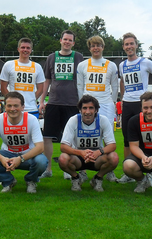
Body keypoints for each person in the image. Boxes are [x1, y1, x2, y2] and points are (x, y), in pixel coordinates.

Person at [117, 32, 152, 184]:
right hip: (127, 104)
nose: (129, 46)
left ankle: (149, 172)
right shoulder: (122, 65)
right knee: (127, 139)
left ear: (136, 45)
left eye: (131, 43)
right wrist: (122, 99)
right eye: (126, 44)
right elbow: (122, 83)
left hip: (142, 105)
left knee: (144, 139)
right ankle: (129, 172)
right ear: (123, 47)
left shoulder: (146, 62)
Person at [0, 92, 48, 193]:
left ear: (23, 107)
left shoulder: (31, 119)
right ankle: (8, 181)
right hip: (7, 155)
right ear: (5, 107)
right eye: (9, 105)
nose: (12, 109)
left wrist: (20, 159)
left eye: (16, 105)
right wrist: (2, 159)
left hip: (27, 156)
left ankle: (31, 180)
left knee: (42, 161)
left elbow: (40, 147)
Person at [38, 30, 84, 179]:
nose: (67, 42)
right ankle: (48, 168)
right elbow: (47, 80)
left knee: (71, 137)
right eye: (65, 39)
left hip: (72, 103)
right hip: (54, 102)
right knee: (48, 137)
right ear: (60, 40)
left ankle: (67, 168)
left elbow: (82, 79)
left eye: (70, 40)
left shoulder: (78, 57)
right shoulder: (51, 57)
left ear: (73, 43)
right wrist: (42, 100)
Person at [77, 35, 119, 182]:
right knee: (83, 134)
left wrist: (112, 102)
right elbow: (80, 86)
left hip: (106, 104)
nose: (96, 48)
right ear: (89, 48)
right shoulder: (82, 65)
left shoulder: (111, 65)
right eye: (93, 45)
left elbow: (115, 86)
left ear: (103, 47)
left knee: (108, 137)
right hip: (88, 104)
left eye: (98, 45)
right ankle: (81, 168)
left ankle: (108, 169)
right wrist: (81, 103)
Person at [58, 95, 119, 191]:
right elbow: (63, 147)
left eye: (91, 108)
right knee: (62, 159)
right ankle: (75, 178)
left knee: (114, 157)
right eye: (84, 108)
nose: (87, 112)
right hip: (78, 158)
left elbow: (112, 145)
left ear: (96, 110)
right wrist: (81, 153)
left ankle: (98, 178)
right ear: (80, 110)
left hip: (97, 158)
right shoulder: (73, 120)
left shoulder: (103, 120)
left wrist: (98, 152)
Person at [0, 37, 45, 118]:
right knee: (11, 131)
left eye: (28, 48)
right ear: (18, 49)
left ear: (31, 50)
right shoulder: (9, 65)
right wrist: (12, 101)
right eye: (23, 47)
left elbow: (41, 89)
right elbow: (3, 87)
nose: (25, 50)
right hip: (13, 109)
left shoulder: (37, 66)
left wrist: (31, 99)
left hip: (31, 109)